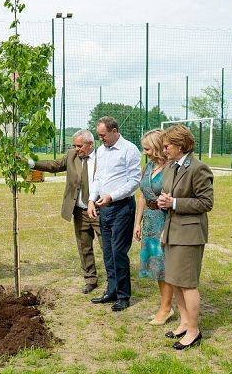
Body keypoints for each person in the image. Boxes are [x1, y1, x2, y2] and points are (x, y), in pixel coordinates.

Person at [157, 124, 213, 350]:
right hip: (172, 232)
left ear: (180, 145)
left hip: (189, 235)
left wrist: (175, 203)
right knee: (174, 280)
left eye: (167, 145)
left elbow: (206, 202)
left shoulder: (198, 168)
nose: (164, 148)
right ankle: (184, 322)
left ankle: (193, 330)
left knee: (187, 284)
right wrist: (165, 201)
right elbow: (170, 195)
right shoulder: (172, 167)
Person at [29, 129, 102, 294]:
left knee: (107, 246)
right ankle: (90, 279)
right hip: (80, 211)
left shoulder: (102, 157)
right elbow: (54, 165)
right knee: (84, 246)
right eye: (74, 145)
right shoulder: (72, 155)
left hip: (100, 210)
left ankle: (115, 281)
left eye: (79, 146)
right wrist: (32, 163)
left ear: (90, 144)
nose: (76, 149)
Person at [88, 116, 141, 312]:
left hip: (122, 208)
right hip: (105, 208)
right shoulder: (101, 151)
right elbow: (98, 178)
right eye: (99, 135)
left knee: (119, 252)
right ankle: (111, 290)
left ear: (114, 131)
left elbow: (134, 181)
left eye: (103, 135)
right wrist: (92, 200)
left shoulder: (129, 150)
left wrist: (112, 196)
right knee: (108, 252)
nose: (101, 138)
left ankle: (123, 295)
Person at [133, 129, 174, 325]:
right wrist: (137, 222)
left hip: (164, 220)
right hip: (149, 219)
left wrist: (168, 227)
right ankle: (166, 306)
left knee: (164, 266)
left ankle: (166, 309)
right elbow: (143, 194)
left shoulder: (171, 169)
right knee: (156, 266)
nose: (144, 152)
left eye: (147, 148)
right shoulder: (149, 165)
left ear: (158, 147)